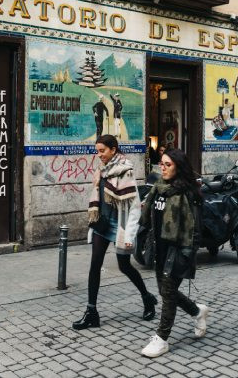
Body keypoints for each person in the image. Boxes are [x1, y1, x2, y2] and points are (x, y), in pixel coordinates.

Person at [72, 134, 157, 330]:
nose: (99, 155)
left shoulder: (124, 171)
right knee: (95, 265)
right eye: (97, 151)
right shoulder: (102, 169)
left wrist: (129, 236)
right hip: (102, 223)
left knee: (124, 266)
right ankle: (91, 312)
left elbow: (134, 207)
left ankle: (147, 297)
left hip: (120, 225)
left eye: (102, 151)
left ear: (113, 149)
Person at [140, 148, 210, 358]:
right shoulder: (158, 188)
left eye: (167, 164)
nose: (163, 168)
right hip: (160, 248)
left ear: (178, 167)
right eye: (161, 163)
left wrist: (188, 254)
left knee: (168, 294)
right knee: (165, 291)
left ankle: (161, 339)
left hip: (179, 249)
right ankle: (198, 312)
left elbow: (195, 229)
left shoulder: (188, 193)